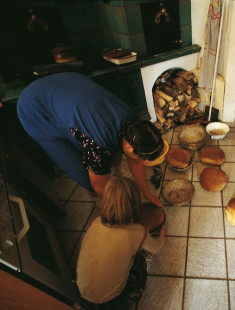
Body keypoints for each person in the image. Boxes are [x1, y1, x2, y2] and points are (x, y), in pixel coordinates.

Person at [17, 72, 164, 207]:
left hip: (64, 88)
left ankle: (114, 173)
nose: (140, 160)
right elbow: (98, 186)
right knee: (84, 175)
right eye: (142, 157)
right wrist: (120, 208)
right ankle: (102, 206)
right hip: (34, 108)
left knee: (109, 151)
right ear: (129, 148)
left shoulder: (135, 125)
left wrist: (146, 194)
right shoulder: (98, 148)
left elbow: (135, 158)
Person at [76, 177, 166, 309]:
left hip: (82, 294)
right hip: (111, 302)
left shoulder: (95, 222)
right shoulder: (137, 232)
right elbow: (156, 248)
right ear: (135, 205)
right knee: (139, 256)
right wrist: (162, 234)